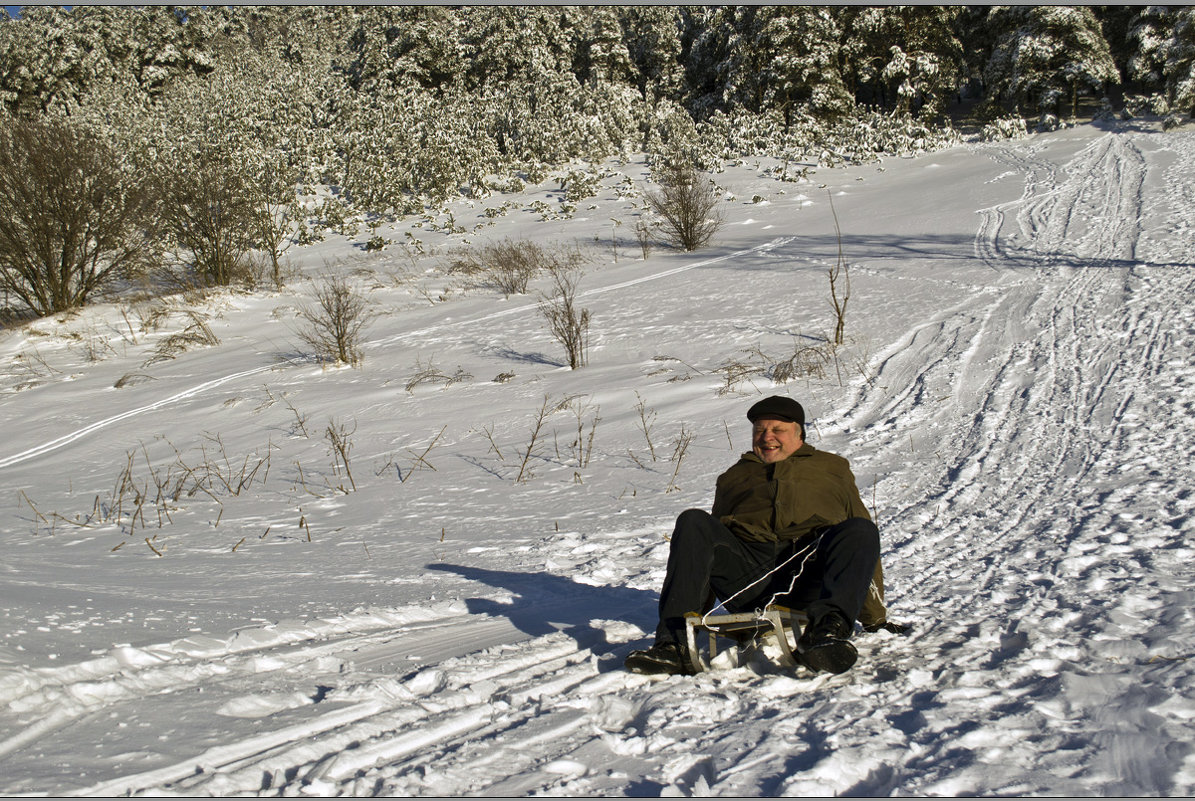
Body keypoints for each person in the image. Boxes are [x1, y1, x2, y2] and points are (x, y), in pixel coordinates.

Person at [625, 395, 888, 676]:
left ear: (799, 434)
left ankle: (827, 634)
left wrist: (875, 619)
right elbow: (704, 549)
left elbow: (860, 543)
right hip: (748, 578)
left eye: (778, 430)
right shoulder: (733, 477)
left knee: (859, 528)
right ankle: (673, 645)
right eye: (760, 431)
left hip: (809, 574)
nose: (767, 437)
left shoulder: (832, 469)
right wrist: (697, 617)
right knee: (694, 522)